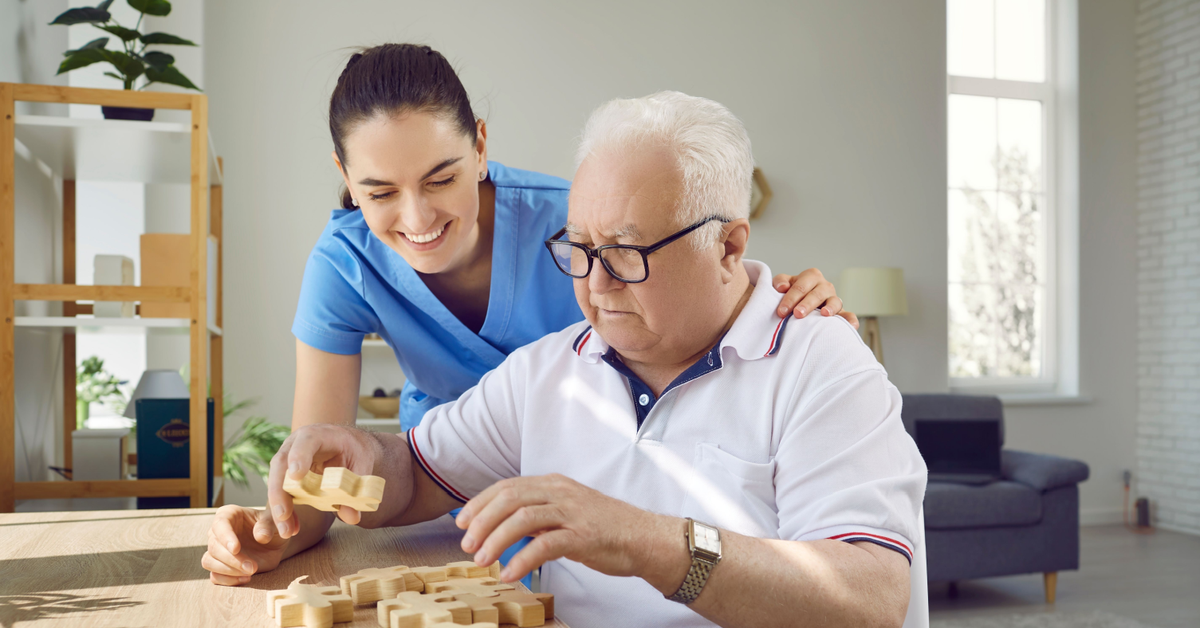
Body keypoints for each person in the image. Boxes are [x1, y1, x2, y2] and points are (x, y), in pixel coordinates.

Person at [209, 91, 928, 628]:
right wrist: (360, 458)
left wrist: (644, 539)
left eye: (626, 252)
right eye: (579, 248)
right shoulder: (549, 370)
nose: (595, 285)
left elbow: (868, 598)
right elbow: (415, 475)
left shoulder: (821, 365)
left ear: (729, 247)